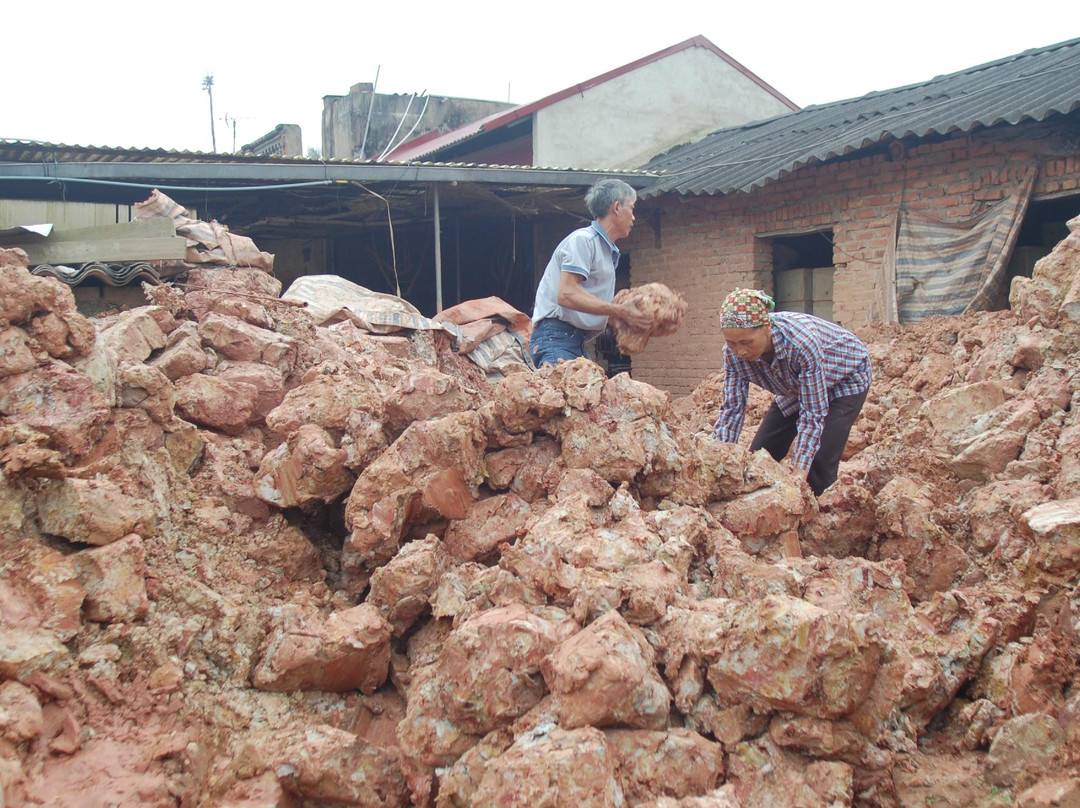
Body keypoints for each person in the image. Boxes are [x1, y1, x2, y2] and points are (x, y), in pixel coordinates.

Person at [711, 288, 872, 496]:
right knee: (760, 456)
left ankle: (821, 511)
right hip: (797, 386)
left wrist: (799, 473)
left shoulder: (800, 343)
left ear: (767, 327)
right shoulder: (733, 356)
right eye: (731, 343)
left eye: (746, 342)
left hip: (846, 376)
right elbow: (732, 410)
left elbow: (812, 413)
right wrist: (717, 463)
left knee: (818, 463)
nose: (740, 351)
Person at [529, 178, 652, 367]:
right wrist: (619, 311)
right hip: (556, 337)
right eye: (632, 208)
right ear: (617, 207)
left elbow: (585, 302)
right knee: (570, 386)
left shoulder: (605, 250)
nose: (634, 217)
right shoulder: (584, 241)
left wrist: (623, 317)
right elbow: (566, 294)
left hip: (574, 340)